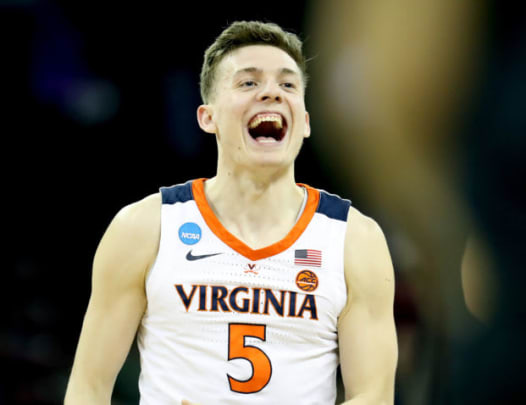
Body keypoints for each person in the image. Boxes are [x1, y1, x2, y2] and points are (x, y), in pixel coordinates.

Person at [64, 20, 398, 404]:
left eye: (288, 84)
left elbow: (372, 394)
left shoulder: (355, 239)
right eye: (248, 83)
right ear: (208, 118)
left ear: (305, 123)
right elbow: (88, 388)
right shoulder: (145, 227)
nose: (271, 92)